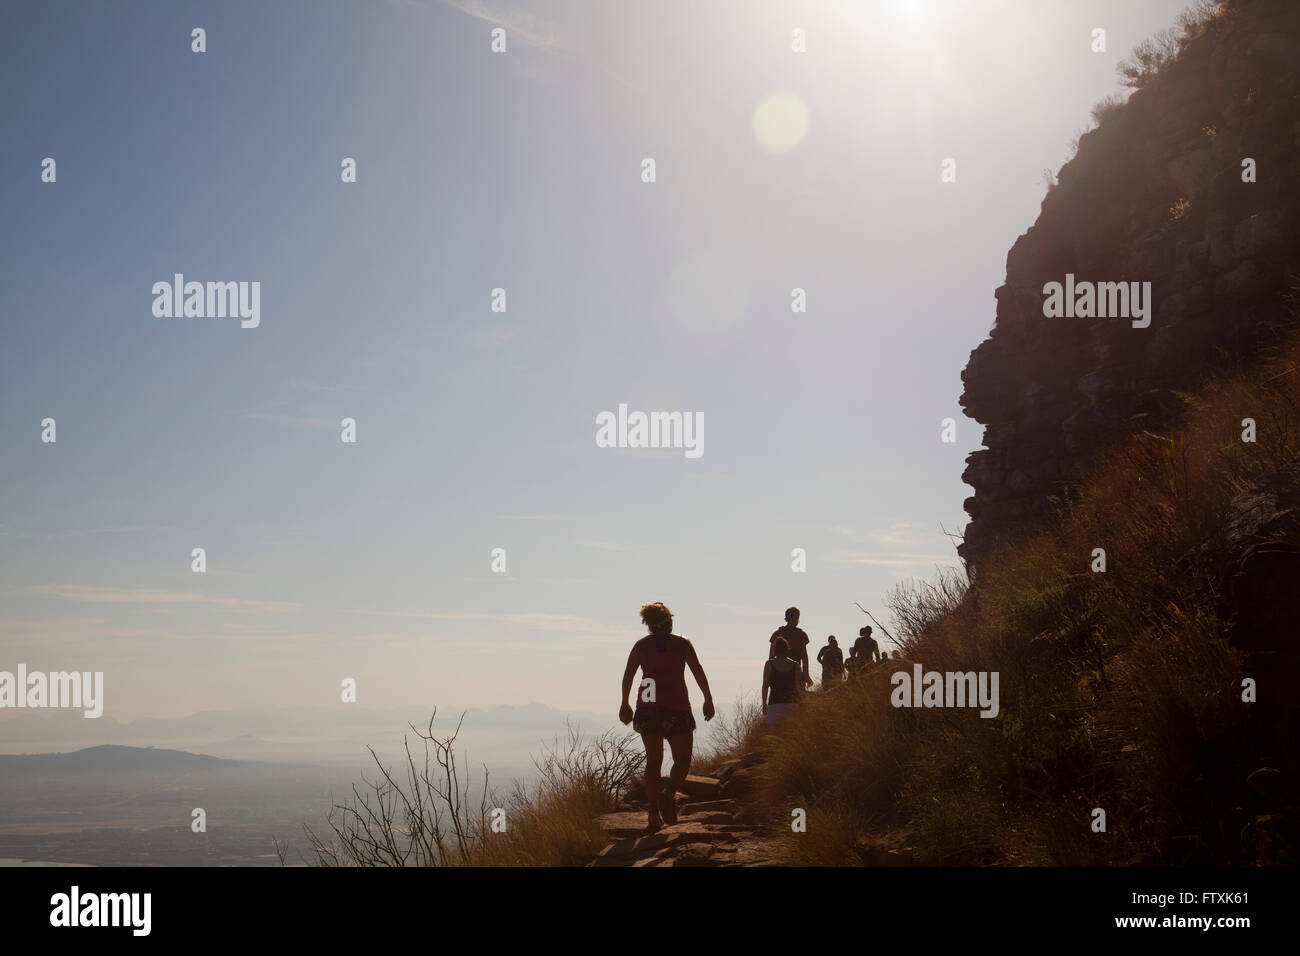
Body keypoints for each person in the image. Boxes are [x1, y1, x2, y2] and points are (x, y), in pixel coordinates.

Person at [619, 602, 714, 833]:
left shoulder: (640, 646)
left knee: (653, 762)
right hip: (676, 708)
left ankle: (653, 814)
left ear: (648, 624)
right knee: (682, 759)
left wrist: (625, 703)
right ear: (670, 621)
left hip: (648, 708)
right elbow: (697, 669)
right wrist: (708, 698)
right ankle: (669, 793)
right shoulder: (681, 644)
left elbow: (628, 675)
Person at [769, 606, 814, 690]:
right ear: (798, 619)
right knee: (797, 699)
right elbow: (804, 657)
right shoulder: (801, 635)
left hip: (778, 673)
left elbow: (771, 657)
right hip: (796, 673)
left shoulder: (777, 634)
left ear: (785, 619)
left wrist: (769, 676)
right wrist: (806, 675)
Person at [763, 636, 802, 726]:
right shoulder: (795, 665)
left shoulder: (769, 664)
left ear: (775, 650)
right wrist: (801, 702)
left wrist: (764, 703)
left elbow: (765, 685)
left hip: (774, 704)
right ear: (787, 649)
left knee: (774, 736)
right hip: (792, 705)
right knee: (790, 735)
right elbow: (798, 687)